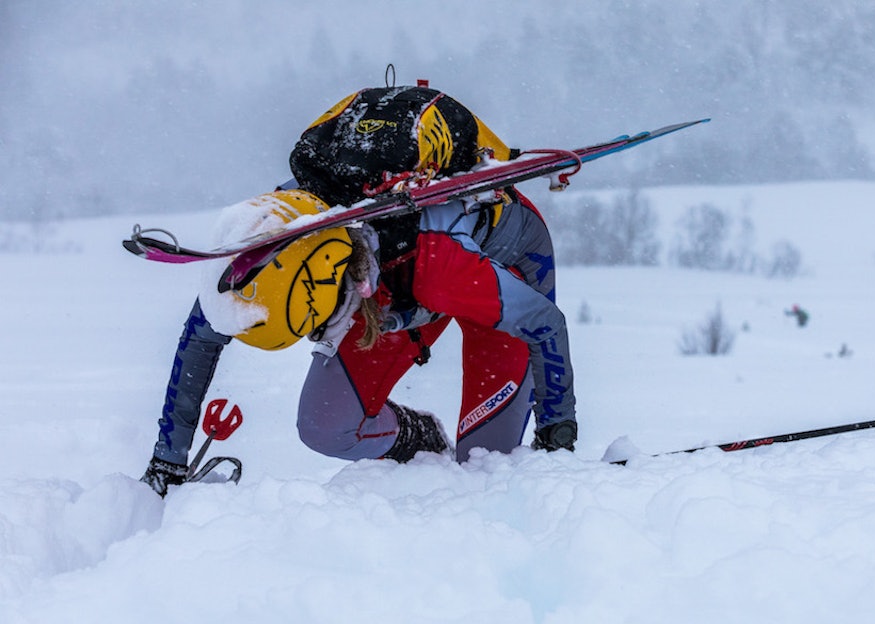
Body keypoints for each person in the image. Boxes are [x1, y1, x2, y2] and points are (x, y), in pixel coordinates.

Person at [142, 83, 578, 497]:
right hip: (395, 281)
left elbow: (546, 324)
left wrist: (557, 436)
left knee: (486, 468)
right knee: (325, 426)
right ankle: (421, 442)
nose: (317, 335)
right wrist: (169, 461)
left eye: (314, 324)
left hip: (495, 268)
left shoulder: (440, 264)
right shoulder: (266, 249)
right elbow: (202, 337)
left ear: (330, 282)